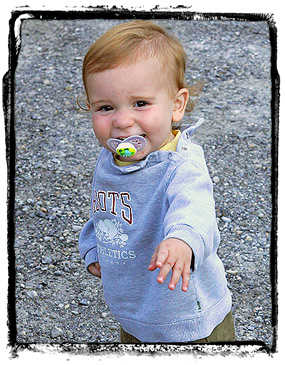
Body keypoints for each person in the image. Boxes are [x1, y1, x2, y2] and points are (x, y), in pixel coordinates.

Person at [78, 20, 235, 343]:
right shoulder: (111, 159)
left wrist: (183, 240)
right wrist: (94, 247)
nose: (122, 121)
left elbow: (196, 211)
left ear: (176, 106)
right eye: (106, 107)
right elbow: (105, 210)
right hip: (136, 311)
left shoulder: (181, 165)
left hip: (188, 319)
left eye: (140, 104)